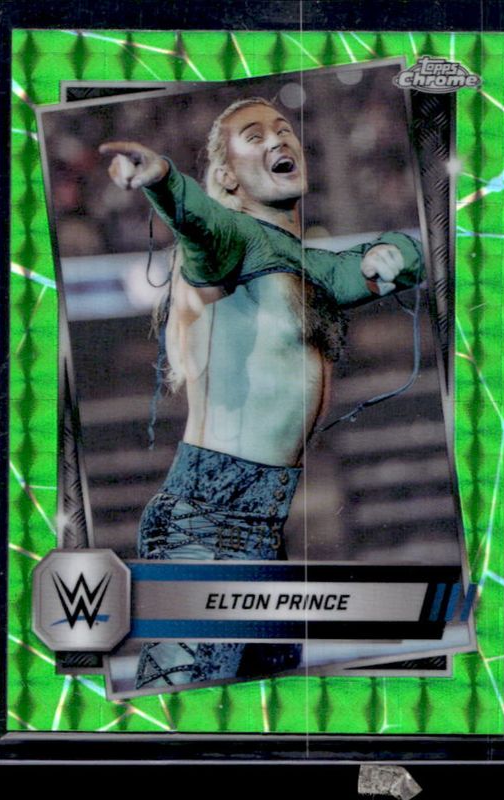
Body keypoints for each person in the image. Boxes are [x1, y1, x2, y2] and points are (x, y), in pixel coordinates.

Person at [100, 97, 423, 690]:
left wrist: (395, 252)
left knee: (264, 716)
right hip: (207, 523)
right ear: (227, 176)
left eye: (284, 129)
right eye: (254, 135)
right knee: (187, 716)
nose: (279, 139)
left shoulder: (309, 266)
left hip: (259, 526)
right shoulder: (232, 242)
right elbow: (199, 221)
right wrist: (162, 176)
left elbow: (399, 258)